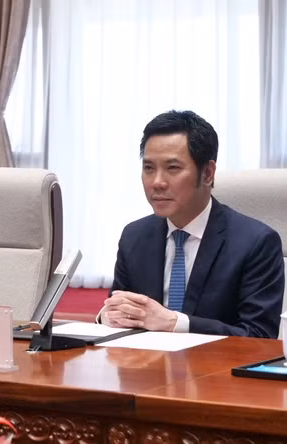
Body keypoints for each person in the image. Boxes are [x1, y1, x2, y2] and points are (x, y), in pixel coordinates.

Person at [101, 110, 283, 338]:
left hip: (218, 370)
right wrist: (107, 316)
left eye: (173, 168)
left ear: (207, 173)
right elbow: (119, 306)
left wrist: (176, 323)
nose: (157, 182)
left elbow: (259, 336)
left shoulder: (256, 243)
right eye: (149, 168)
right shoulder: (134, 236)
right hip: (147, 368)